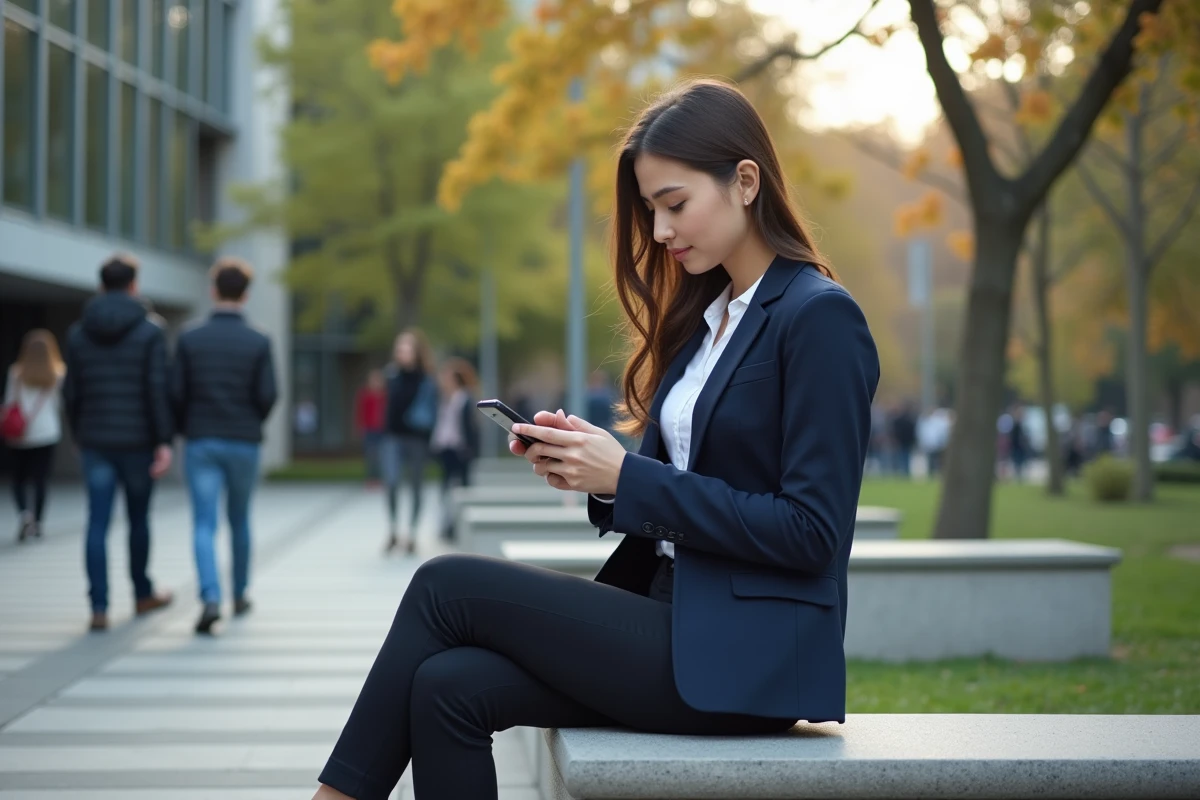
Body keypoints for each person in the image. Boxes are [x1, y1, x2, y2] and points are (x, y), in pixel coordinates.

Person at [310, 79, 879, 800]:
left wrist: (627, 479)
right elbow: (682, 489)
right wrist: (592, 471)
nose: (662, 231)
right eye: (651, 211)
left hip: (743, 654)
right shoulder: (709, 320)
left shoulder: (818, 318)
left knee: (443, 582)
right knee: (444, 687)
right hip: (673, 616)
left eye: (675, 204)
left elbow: (812, 532)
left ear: (744, 181)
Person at [62, 254, 175, 632]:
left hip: (95, 439)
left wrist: (78, 434)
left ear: (100, 286)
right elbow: (157, 389)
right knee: (138, 519)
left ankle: (98, 606)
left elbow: (72, 392)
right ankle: (142, 594)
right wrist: (163, 440)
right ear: (133, 285)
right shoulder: (150, 330)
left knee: (96, 522)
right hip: (139, 441)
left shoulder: (78, 333)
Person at [170, 258, 278, 635]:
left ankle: (210, 596)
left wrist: (187, 427)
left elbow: (176, 392)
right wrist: (250, 422)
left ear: (213, 290)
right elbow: (268, 394)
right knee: (240, 519)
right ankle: (241, 592)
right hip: (244, 440)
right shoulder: (259, 339)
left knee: (203, 522)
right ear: (246, 294)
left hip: (201, 439)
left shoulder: (189, 337)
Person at [3, 330, 65, 542]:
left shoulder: (16, 373)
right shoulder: (57, 373)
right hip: (46, 431)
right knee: (40, 480)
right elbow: (60, 405)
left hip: (20, 433)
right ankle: (37, 523)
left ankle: (24, 514)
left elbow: (10, 401)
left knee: (19, 478)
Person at [380, 329, 437, 555]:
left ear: (416, 352)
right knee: (391, 483)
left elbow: (433, 410)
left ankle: (412, 534)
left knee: (416, 486)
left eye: (406, 348)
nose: (401, 353)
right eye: (399, 348)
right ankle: (393, 530)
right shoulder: (392, 375)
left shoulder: (426, 379)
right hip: (392, 437)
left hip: (417, 439)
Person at [430, 357, 480, 541]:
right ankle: (447, 524)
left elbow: (471, 427)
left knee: (463, 488)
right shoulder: (443, 398)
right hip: (445, 448)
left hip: (461, 448)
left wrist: (471, 449)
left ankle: (460, 527)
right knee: (445, 489)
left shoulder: (464, 398)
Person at [354, 370, 387, 487]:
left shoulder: (384, 394)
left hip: (382, 429)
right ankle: (371, 478)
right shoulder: (365, 394)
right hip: (369, 429)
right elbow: (361, 412)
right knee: (370, 455)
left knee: (382, 455)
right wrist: (361, 426)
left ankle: (380, 478)